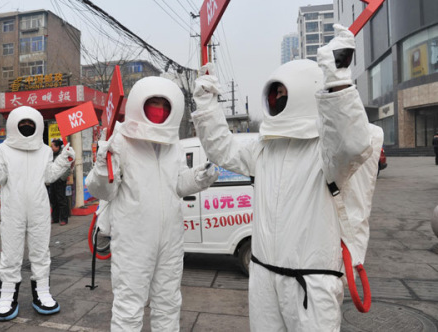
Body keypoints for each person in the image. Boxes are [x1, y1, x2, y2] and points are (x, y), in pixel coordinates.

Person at [192, 25, 383, 331]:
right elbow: (221, 149)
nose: (277, 98)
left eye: (283, 93)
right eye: (274, 93)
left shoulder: (327, 152)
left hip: (311, 281)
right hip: (264, 275)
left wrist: (339, 81)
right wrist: (206, 105)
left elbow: (354, 143)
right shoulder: (264, 150)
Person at [85, 76, 219, 331]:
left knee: (169, 304)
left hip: (170, 239)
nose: (158, 109)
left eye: (163, 104)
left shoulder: (172, 145)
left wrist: (198, 178)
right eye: (153, 102)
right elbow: (102, 189)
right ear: (139, 104)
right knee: (129, 307)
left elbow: (178, 185)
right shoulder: (120, 139)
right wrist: (103, 165)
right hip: (133, 240)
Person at [0, 106, 75, 321]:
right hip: (13, 208)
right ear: (14, 125)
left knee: (41, 253)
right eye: (22, 124)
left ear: (37, 126)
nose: (26, 128)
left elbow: (49, 176)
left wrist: (64, 160)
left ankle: (42, 292)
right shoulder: (3, 149)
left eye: (30, 125)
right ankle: (7, 296)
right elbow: (0, 178)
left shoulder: (44, 150)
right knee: (11, 254)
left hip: (39, 209)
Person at [49, 139, 71, 225]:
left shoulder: (63, 156)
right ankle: (55, 218)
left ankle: (63, 219)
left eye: (53, 146)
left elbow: (67, 168)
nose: (51, 148)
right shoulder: (51, 156)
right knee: (53, 199)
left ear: (58, 147)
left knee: (61, 200)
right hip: (52, 180)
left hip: (60, 181)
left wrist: (62, 179)